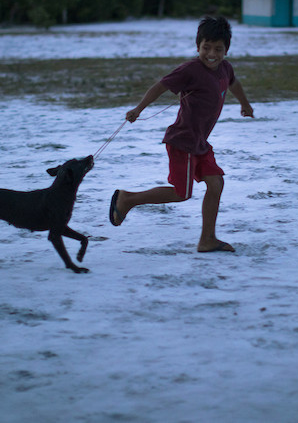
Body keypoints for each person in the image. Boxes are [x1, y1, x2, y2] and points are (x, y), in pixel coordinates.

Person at [109, 16, 254, 253]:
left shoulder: (226, 68)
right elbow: (160, 86)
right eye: (206, 47)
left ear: (226, 50)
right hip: (183, 142)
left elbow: (233, 83)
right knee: (181, 193)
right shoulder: (190, 70)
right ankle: (127, 199)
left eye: (218, 49)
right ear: (198, 46)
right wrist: (138, 108)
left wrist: (245, 104)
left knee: (216, 184)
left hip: (200, 143)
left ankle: (207, 239)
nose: (211, 54)